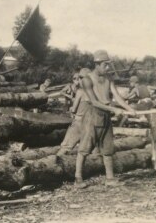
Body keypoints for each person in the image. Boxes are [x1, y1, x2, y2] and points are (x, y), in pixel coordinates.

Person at [75, 50, 136, 188]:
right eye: (105, 65)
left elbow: (117, 97)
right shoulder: (87, 79)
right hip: (92, 114)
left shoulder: (108, 79)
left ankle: (110, 178)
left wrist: (129, 109)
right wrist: (114, 110)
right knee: (84, 148)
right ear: (97, 64)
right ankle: (78, 178)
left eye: (108, 65)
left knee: (107, 147)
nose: (107, 68)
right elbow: (94, 102)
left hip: (106, 115)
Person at [56, 69, 90, 156]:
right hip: (89, 123)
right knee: (86, 149)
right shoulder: (94, 92)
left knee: (65, 147)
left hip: (79, 122)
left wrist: (72, 109)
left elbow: (74, 109)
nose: (77, 81)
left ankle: (55, 162)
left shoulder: (80, 91)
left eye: (79, 79)